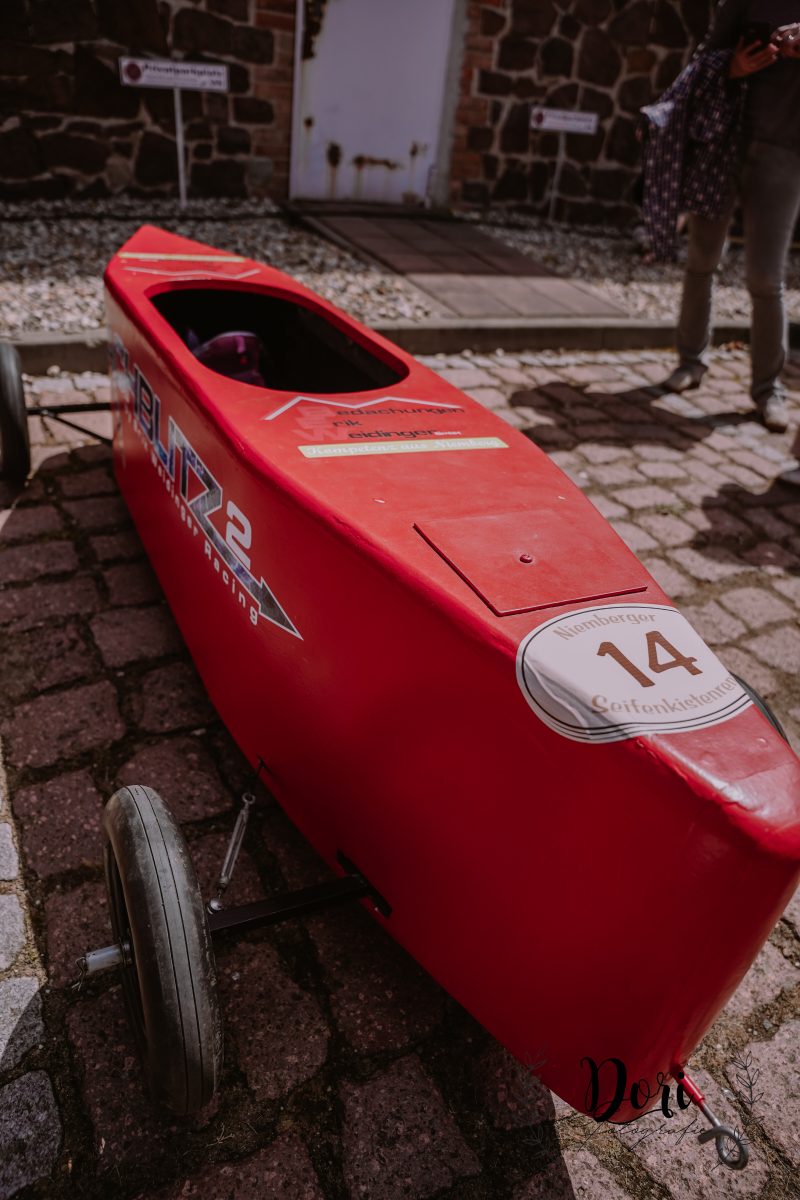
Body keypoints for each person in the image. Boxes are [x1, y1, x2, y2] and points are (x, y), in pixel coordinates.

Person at [661, 6, 800, 433]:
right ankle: (690, 363)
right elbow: (704, 59)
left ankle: (768, 390)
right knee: (702, 259)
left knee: (766, 278)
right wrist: (734, 65)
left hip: (785, 154)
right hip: (723, 144)